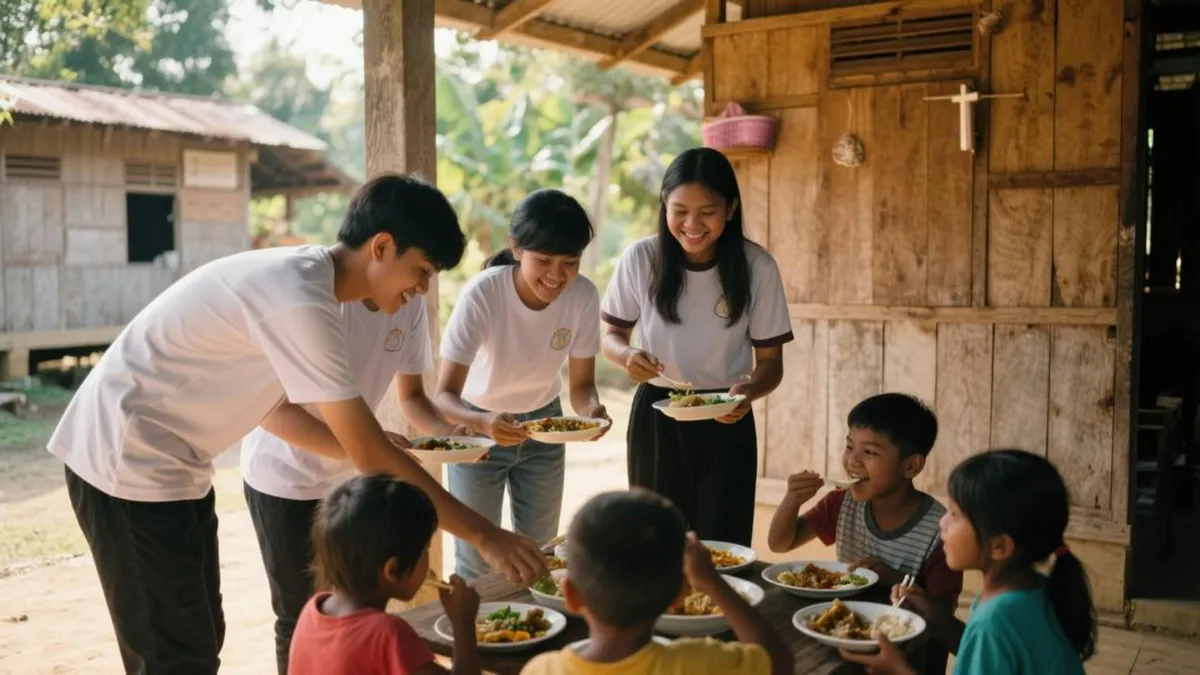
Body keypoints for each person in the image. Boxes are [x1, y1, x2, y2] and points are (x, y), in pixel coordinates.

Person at [48, 173, 546, 675]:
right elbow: (370, 454)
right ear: (381, 246)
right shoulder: (301, 296)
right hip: (125, 457)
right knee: (173, 656)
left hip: (177, 462)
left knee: (197, 640)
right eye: (420, 270)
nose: (420, 290)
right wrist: (486, 536)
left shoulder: (318, 289)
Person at [241, 289, 472, 675]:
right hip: (285, 477)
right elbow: (271, 411)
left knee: (312, 607)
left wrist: (451, 431)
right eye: (423, 555)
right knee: (292, 606)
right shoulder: (393, 635)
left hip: (347, 484)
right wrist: (464, 626)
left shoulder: (316, 617)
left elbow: (412, 397)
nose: (421, 285)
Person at [599, 147, 792, 545]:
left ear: (731, 209)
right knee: (654, 542)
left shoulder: (758, 267)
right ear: (664, 207)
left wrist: (749, 392)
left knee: (725, 545)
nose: (692, 224)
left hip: (728, 417)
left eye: (707, 211)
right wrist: (627, 355)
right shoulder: (641, 258)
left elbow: (771, 362)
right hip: (658, 413)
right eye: (679, 210)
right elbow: (611, 338)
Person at [435, 188, 609, 581]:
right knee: (479, 558)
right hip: (476, 430)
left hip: (545, 428)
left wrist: (592, 412)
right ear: (516, 249)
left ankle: (533, 633)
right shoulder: (484, 293)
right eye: (543, 260)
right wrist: (482, 423)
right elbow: (443, 397)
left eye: (570, 262)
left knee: (541, 551)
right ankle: (478, 638)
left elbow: (582, 386)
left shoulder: (582, 295)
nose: (556, 275)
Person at [839, 449, 1096, 675]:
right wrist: (933, 613)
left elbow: (987, 640)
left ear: (999, 547)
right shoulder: (1032, 592)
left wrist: (898, 670)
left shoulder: (996, 619)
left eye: (954, 514)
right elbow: (980, 650)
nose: (943, 522)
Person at [766, 393, 961, 673]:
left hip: (909, 660)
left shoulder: (939, 529)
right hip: (845, 637)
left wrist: (892, 577)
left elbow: (941, 617)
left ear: (911, 466)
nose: (852, 461)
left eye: (869, 452)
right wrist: (791, 500)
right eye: (849, 446)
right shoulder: (843, 502)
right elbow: (781, 543)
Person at [520, 490, 793, 675]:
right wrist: (713, 582)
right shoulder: (697, 663)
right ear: (679, 595)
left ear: (570, 594)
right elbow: (778, 661)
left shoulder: (542, 669)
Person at [289, 474, 482, 675]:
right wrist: (463, 624)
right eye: (425, 550)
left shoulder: (312, 611)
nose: (427, 559)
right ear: (392, 569)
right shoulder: (387, 634)